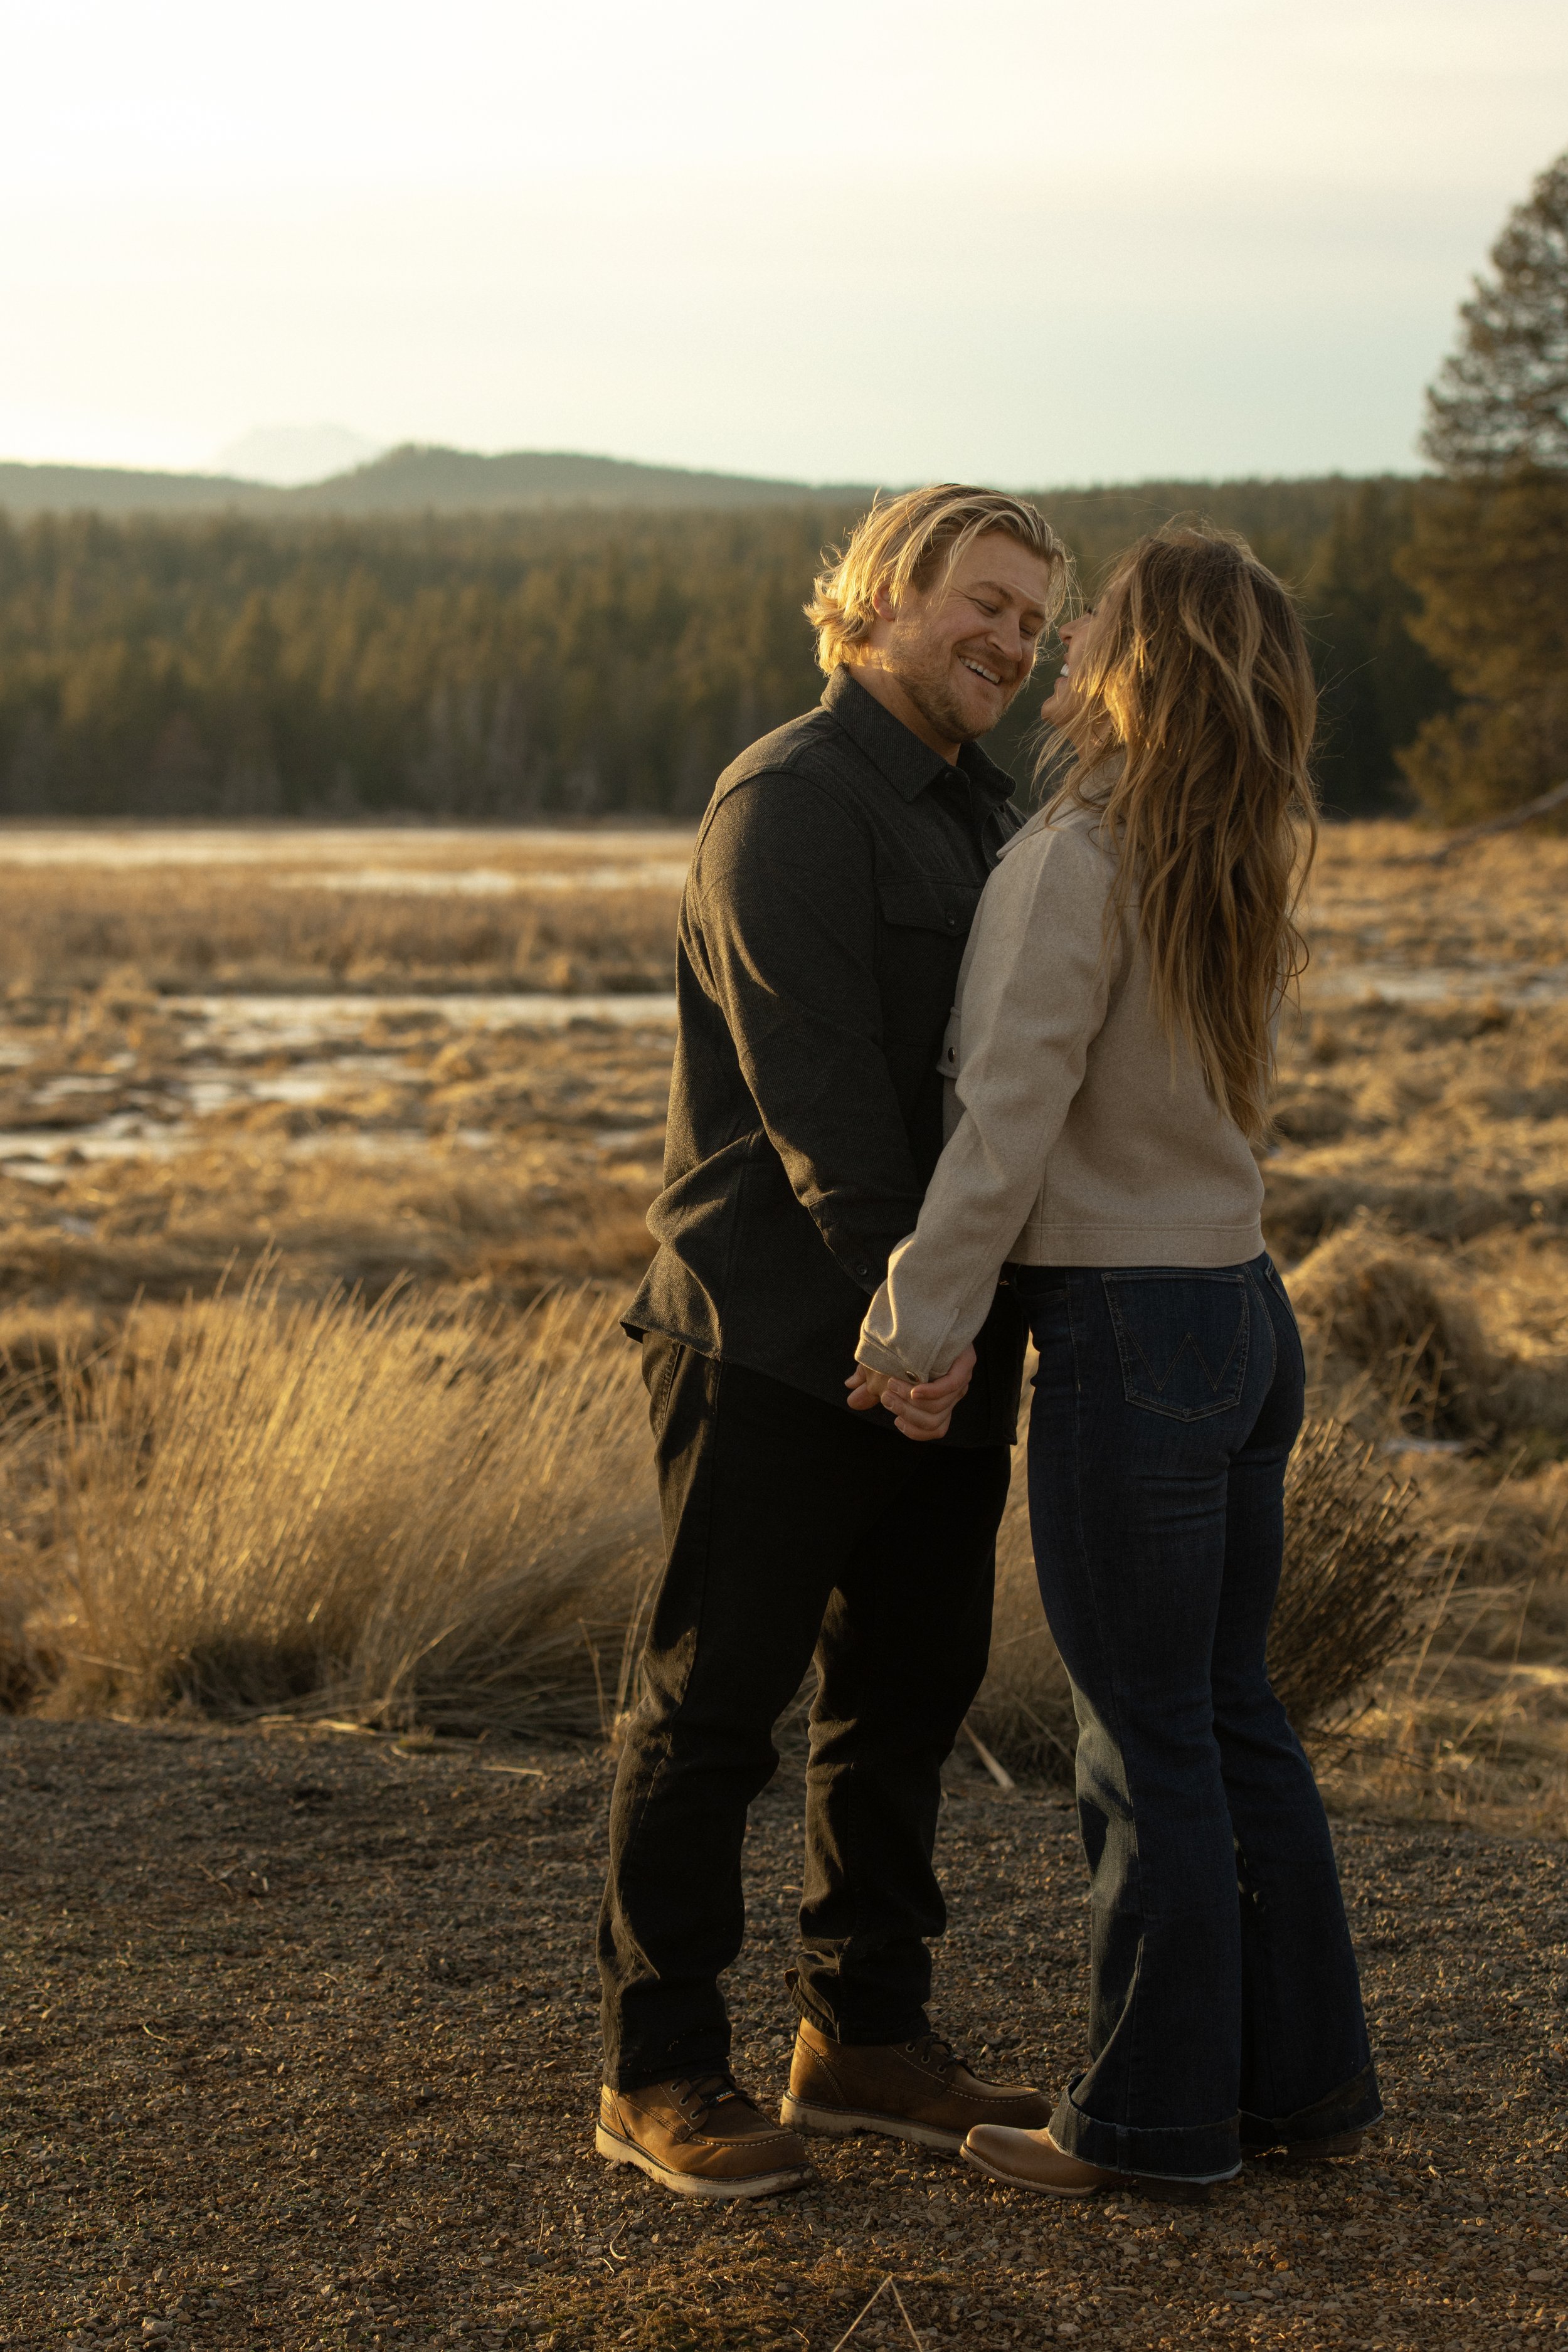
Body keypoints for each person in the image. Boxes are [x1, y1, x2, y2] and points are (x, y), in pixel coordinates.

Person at [852, 524, 1383, 2200]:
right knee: (1230, 1717)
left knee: (1145, 1733)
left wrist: (913, 1331)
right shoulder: (1223, 851)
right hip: (1239, 1311)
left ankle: (1147, 2128)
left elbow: (1003, 1121)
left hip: (1131, 1331)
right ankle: (1301, 2091)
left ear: (1133, 664)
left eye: (1084, 627)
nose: (1057, 645)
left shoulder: (1080, 856)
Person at [595, 485, 1070, 2200]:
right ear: (874, 599)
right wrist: (908, 1323)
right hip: (781, 1340)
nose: (1008, 643)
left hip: (933, 1342)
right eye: (982, 604)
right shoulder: (786, 804)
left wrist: (958, 1334)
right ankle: (658, 2069)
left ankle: (861, 2035)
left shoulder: (983, 812)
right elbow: (821, 1105)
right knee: (714, 1707)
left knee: (903, 1694)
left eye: (1030, 622)